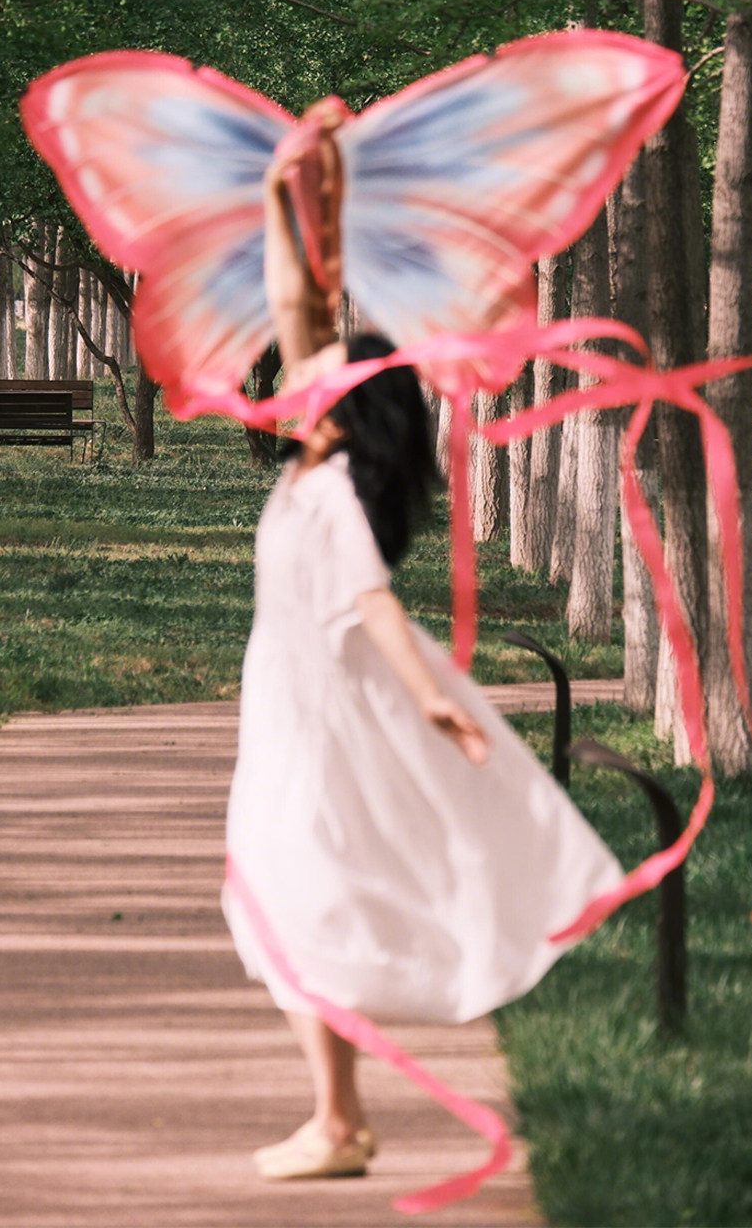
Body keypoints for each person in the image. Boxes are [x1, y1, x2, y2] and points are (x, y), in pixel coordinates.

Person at [221, 147, 624, 1182]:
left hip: (325, 729)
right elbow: (298, 305)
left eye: (323, 387)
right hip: (288, 721)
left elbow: (376, 609)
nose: (298, 385)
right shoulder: (321, 467)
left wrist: (434, 707)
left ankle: (338, 1120)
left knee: (302, 903)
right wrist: (286, 194)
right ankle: (339, 1118)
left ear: (354, 418)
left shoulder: (340, 492)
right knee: (287, 903)